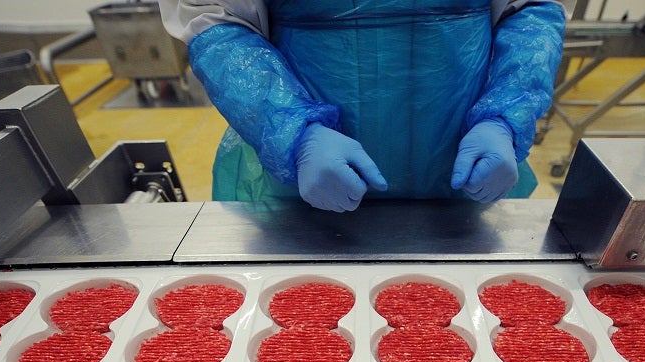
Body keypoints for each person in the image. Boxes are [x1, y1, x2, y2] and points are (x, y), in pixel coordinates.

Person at [158, 0, 570, 212]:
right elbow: (216, 21)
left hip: (466, 170)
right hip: (303, 182)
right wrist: (292, 134)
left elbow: (531, 9)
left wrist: (505, 115)